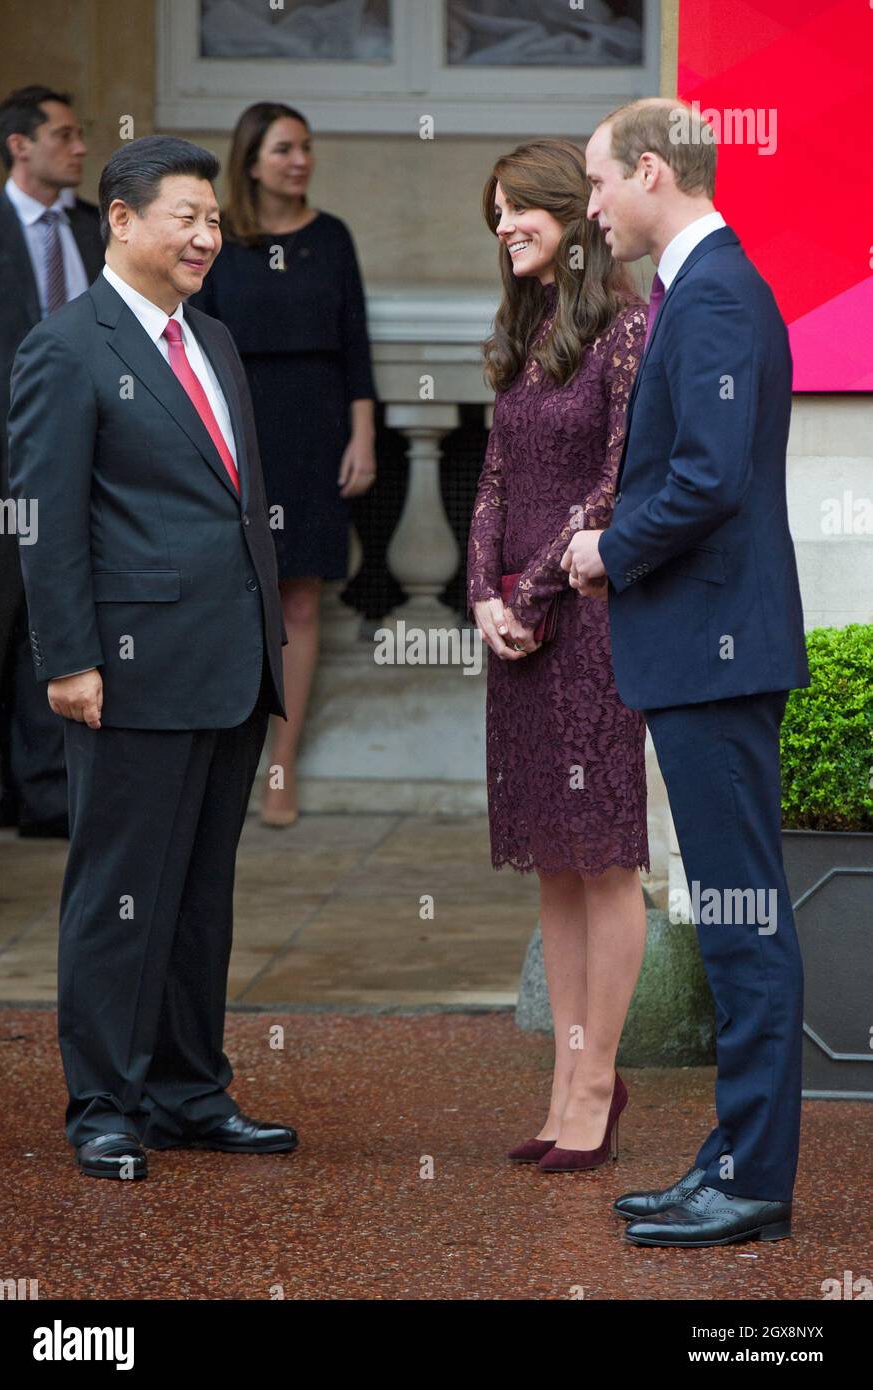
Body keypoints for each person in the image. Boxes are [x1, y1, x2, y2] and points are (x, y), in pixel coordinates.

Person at [8, 135, 297, 1181]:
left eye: (214, 219)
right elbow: (49, 520)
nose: (207, 235)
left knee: (196, 893)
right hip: (128, 670)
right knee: (120, 889)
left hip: (227, 663)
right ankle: (104, 1103)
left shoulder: (212, 340)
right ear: (120, 221)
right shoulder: (66, 346)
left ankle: (188, 1091)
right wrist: (71, 658)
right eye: (186, 214)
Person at [564, 97, 809, 1246]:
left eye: (598, 183)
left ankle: (753, 1179)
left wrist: (604, 549)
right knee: (728, 913)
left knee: (740, 919)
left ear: (651, 172)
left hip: (710, 654)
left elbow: (707, 478)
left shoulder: (710, 291)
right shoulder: (704, 287)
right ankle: (732, 1153)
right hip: (703, 650)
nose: (591, 209)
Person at [467, 140, 648, 1173]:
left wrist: (530, 591)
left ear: (569, 213)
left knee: (604, 858)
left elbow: (616, 480)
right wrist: (482, 593)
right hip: (518, 634)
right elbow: (492, 471)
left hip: (588, 623)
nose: (502, 228)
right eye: (493, 215)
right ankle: (564, 1082)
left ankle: (594, 1083)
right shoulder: (524, 328)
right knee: (553, 861)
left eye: (516, 210)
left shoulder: (625, 331)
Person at [188, 102, 377, 827]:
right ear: (252, 160)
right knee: (233, 593)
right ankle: (217, 761)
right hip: (237, 422)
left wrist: (361, 435)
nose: (300, 160)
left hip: (315, 424)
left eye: (305, 147)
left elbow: (355, 341)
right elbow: (195, 345)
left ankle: (281, 767)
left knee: (300, 598)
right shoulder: (218, 241)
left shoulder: (331, 237)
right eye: (284, 149)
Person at [0, 86, 103, 845]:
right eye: (63, 134)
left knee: (55, 622)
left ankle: (47, 796)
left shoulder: (98, 229)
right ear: (19, 145)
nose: (80, 146)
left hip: (82, 467)